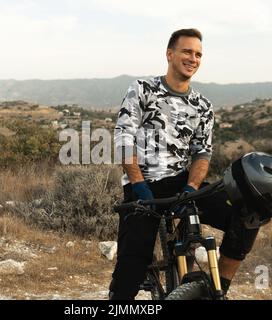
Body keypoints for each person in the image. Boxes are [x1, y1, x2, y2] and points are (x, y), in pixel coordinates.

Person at [110, 28, 256, 300]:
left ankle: (217, 288)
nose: (193, 58)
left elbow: (202, 153)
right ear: (170, 54)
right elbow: (123, 139)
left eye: (198, 54)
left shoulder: (203, 105)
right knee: (132, 264)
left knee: (248, 215)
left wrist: (191, 187)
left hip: (181, 182)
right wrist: (139, 185)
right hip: (144, 184)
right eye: (187, 51)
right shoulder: (142, 90)